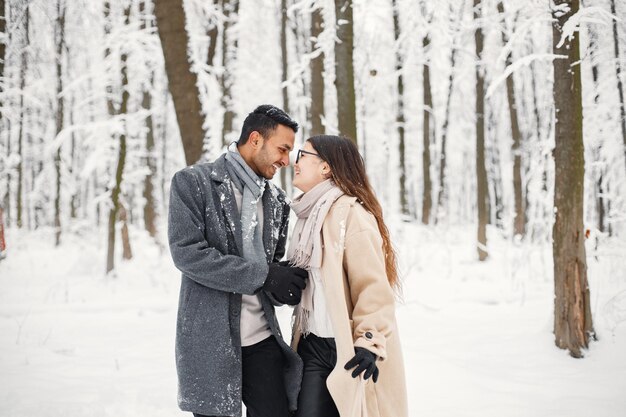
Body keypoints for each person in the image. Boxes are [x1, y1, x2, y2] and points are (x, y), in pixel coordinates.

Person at [168, 104, 308, 417]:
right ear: (255, 139)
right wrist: (264, 276)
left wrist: (281, 284)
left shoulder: (278, 203)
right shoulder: (193, 183)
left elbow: (270, 267)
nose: (286, 161)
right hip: (210, 342)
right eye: (282, 149)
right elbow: (188, 254)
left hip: (263, 339)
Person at [287, 135, 408, 417]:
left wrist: (368, 341)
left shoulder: (352, 216)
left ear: (326, 167)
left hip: (349, 349)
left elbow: (373, 288)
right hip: (313, 345)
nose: (296, 161)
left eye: (303, 154)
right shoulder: (308, 215)